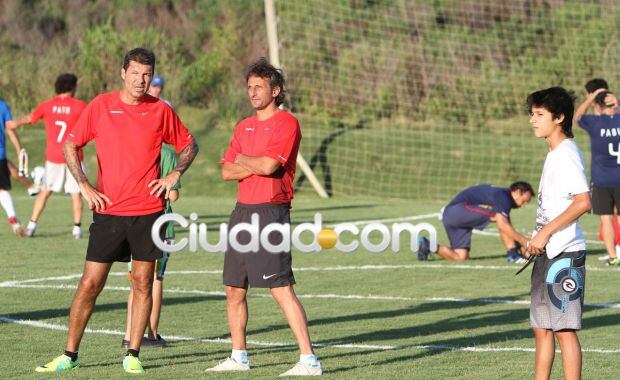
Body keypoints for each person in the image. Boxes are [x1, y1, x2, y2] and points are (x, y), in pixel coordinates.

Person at [35, 48, 199, 374]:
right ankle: (70, 354)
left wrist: (175, 173)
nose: (141, 80)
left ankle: (133, 353)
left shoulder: (160, 111)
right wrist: (83, 184)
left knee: (142, 281)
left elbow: (190, 144)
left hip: (149, 211)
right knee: (89, 284)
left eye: (147, 74)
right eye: (135, 73)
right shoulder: (100, 105)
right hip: (109, 211)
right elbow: (70, 144)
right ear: (123, 72)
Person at [206, 58, 321, 376]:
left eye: (259, 87)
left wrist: (243, 157)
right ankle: (239, 356)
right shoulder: (242, 126)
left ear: (276, 90)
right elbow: (227, 172)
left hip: (271, 212)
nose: (253, 92)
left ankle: (309, 360)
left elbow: (270, 167)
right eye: (249, 87)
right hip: (241, 211)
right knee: (234, 288)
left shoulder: (287, 123)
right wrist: (250, 162)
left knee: (280, 288)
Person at [526, 87, 591, 380]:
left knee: (564, 331)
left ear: (559, 117)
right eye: (532, 114)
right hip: (547, 253)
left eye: (540, 114)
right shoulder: (553, 154)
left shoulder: (566, 154)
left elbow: (583, 201)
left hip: (566, 255)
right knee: (542, 328)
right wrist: (537, 235)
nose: (533, 120)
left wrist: (546, 233)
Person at [123, 74, 179, 348]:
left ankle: (127, 333)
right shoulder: (168, 154)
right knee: (154, 279)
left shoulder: (134, 148)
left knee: (136, 279)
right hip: (160, 224)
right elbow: (175, 195)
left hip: (132, 218)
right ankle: (151, 333)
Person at [7, 74, 87, 239]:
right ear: (72, 88)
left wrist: (14, 124)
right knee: (76, 193)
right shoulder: (80, 106)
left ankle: (31, 226)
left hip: (54, 156)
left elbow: (30, 119)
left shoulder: (47, 105)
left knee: (45, 191)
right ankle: (77, 230)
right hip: (74, 156)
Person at [418, 182, 533, 262]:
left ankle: (429, 245)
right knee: (500, 218)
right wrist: (524, 242)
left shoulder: (499, 195)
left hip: (450, 216)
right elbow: (503, 224)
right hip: (457, 211)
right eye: (524, 201)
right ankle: (513, 255)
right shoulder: (504, 196)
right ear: (517, 192)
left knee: (461, 256)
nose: (524, 205)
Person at [574, 83, 620, 266]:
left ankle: (612, 257)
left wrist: (591, 97)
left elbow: (577, 117)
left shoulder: (594, 123)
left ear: (598, 107)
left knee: (606, 218)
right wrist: (617, 103)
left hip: (602, 179)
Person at [0, 97, 25, 235]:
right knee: (2, 190)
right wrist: (18, 149)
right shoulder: (2, 105)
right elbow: (10, 129)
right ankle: (13, 220)